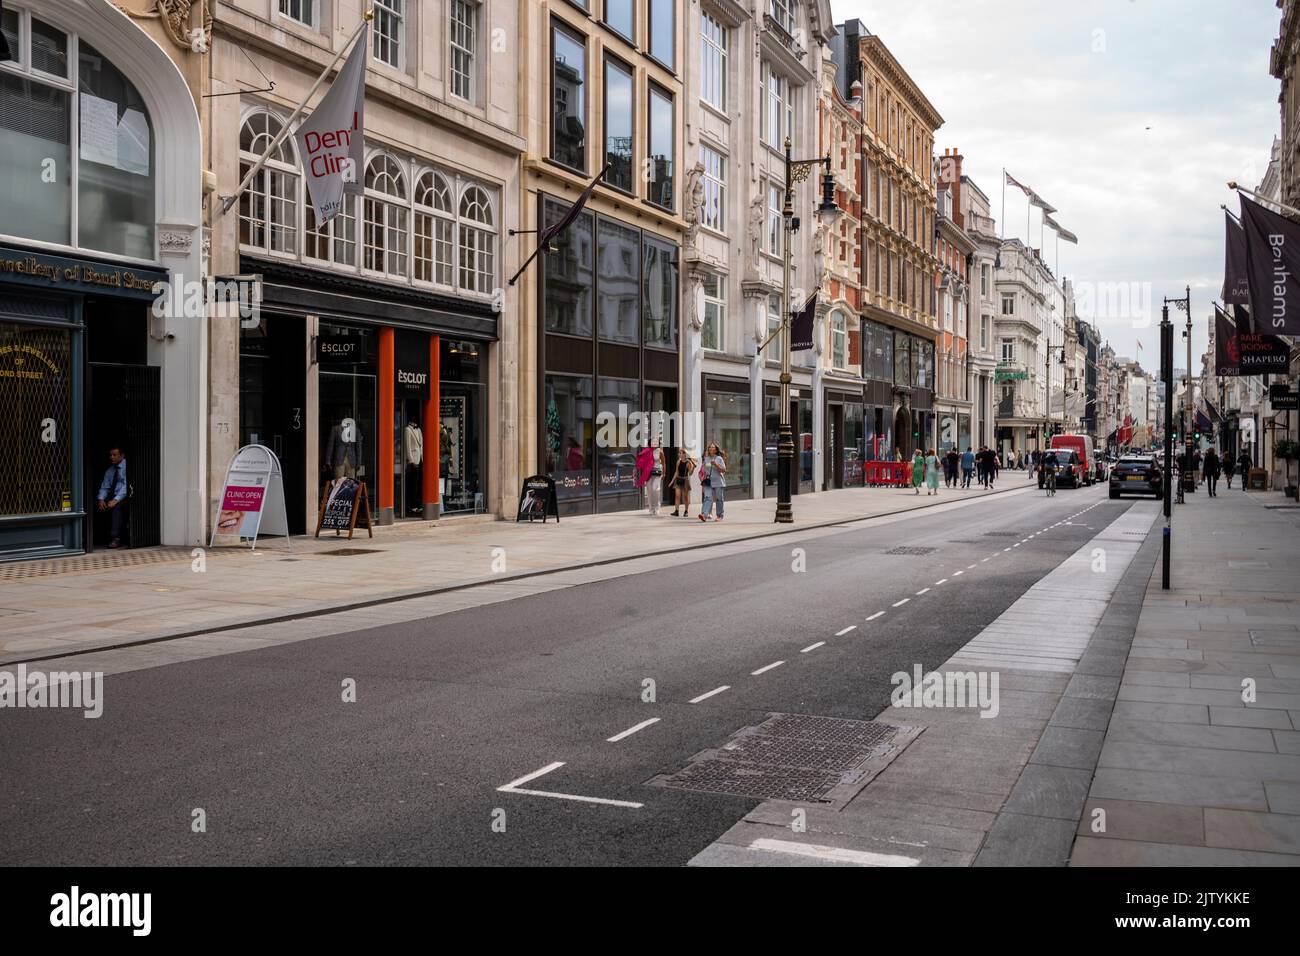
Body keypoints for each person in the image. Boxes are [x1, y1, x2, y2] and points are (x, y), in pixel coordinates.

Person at [96, 446, 129, 549]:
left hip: (125, 496)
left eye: (114, 455)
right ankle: (98, 536)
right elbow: (105, 486)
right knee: (97, 506)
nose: (111, 457)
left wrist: (116, 500)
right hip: (113, 495)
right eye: (110, 455)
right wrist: (101, 499)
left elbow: (126, 486)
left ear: (122, 455)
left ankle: (116, 538)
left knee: (116, 508)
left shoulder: (127, 467)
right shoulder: (110, 470)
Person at [699, 441, 727, 521]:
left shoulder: (719, 458)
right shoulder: (706, 459)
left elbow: (724, 470)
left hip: (718, 481)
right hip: (709, 482)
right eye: (710, 447)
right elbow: (704, 470)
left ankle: (719, 516)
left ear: (716, 449)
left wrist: (716, 465)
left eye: (713, 447)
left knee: (719, 499)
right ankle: (704, 514)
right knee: (707, 498)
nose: (711, 448)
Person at [635, 440, 665, 515]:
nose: (654, 443)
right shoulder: (647, 451)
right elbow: (642, 459)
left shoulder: (660, 452)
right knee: (649, 490)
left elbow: (664, 463)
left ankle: (657, 507)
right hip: (648, 473)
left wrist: (664, 473)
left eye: (656, 442)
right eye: (652, 442)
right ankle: (651, 508)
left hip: (657, 472)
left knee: (656, 489)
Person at [671, 447, 695, 517]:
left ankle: (686, 511)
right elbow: (676, 472)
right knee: (677, 496)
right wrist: (672, 481)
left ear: (684, 454)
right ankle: (676, 511)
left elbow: (690, 473)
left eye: (681, 453)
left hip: (685, 480)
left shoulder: (688, 463)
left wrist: (693, 467)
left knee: (685, 497)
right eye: (679, 453)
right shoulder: (678, 462)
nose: (679, 454)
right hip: (678, 480)